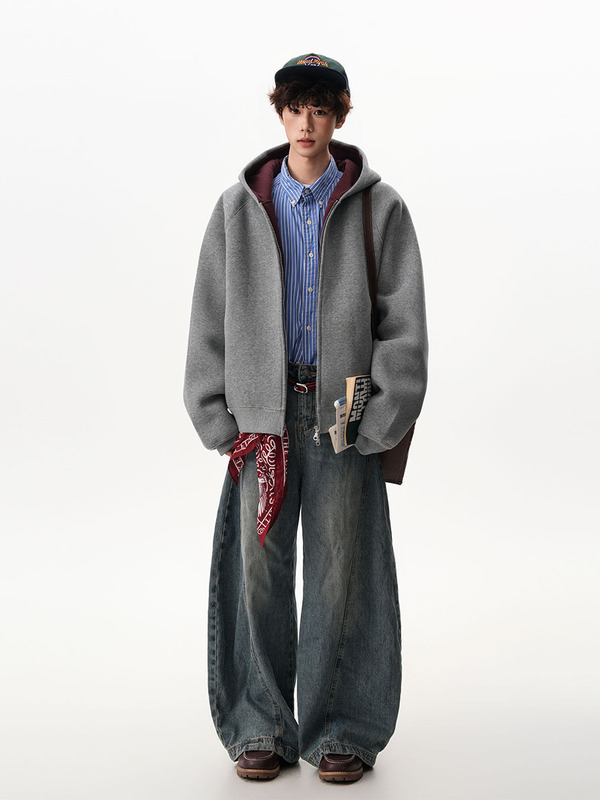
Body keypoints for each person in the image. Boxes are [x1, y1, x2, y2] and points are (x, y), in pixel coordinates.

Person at [183, 52, 428, 783]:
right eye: (296, 107)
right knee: (257, 571)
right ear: (280, 112)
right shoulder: (238, 210)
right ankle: (260, 722)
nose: (307, 123)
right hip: (260, 418)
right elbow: (208, 317)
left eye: (321, 108)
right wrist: (215, 414)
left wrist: (380, 417)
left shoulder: (380, 209)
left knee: (341, 571)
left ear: (340, 114)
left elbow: (404, 326)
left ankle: (342, 727)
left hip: (341, 417)